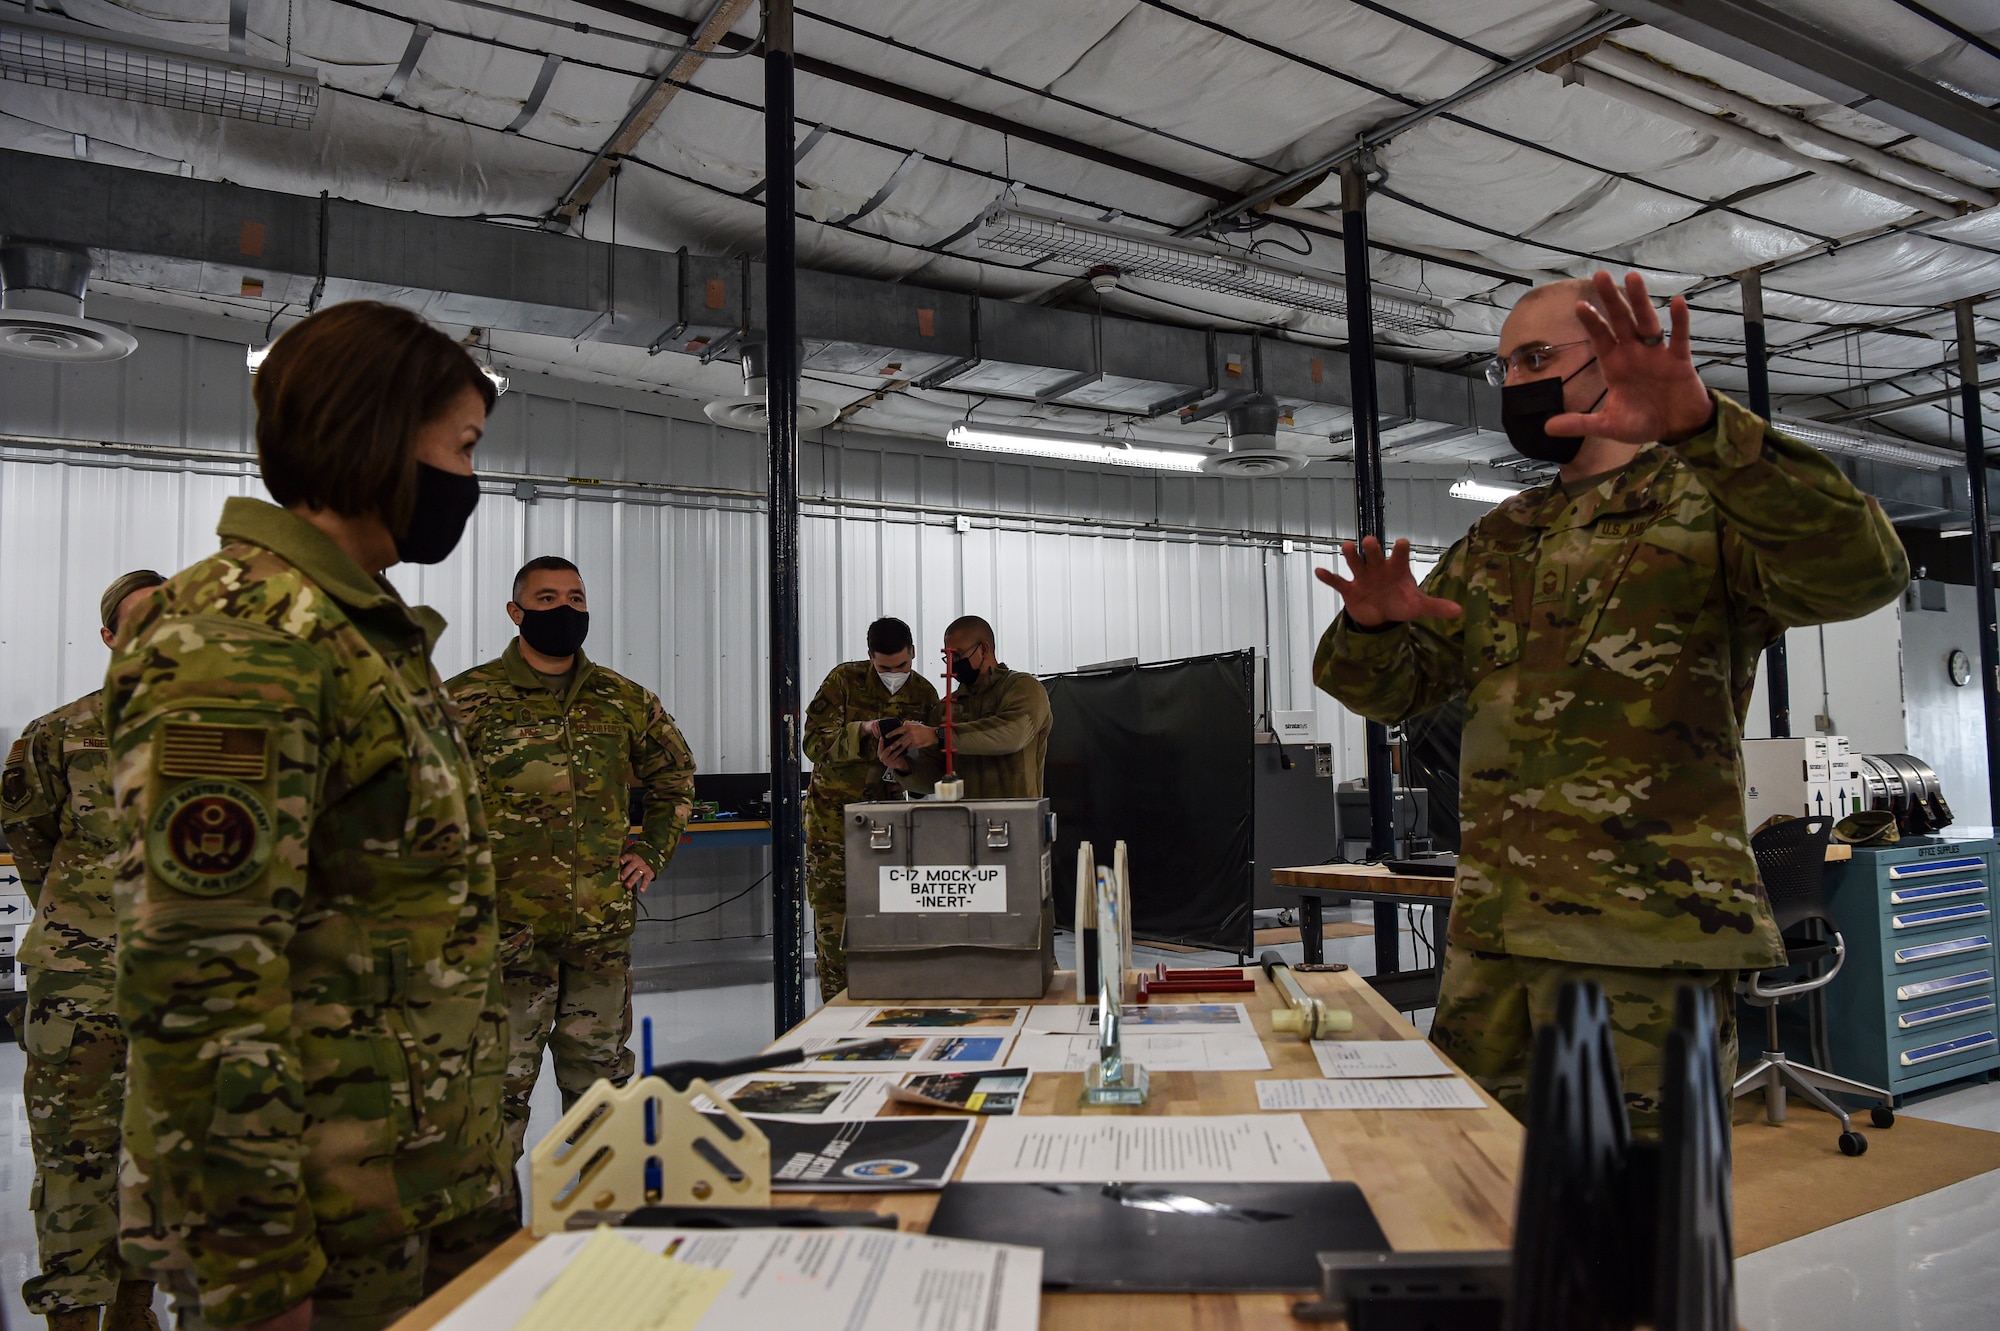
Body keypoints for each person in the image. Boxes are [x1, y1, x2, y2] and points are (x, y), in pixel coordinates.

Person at [1313, 271, 1907, 1136]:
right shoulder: (1504, 536)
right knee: (1484, 1201)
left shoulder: (1709, 504)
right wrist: (1370, 626)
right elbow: (1393, 690)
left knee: (1642, 1226)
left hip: (1648, 941)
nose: (1515, 381)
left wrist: (1708, 430)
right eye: (1503, 366)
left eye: (1537, 357)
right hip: (1498, 944)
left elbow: (1865, 569)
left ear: (1614, 361)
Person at [103, 301, 510, 1331]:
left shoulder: (355, 629)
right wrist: (258, 1267)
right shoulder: (245, 644)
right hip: (324, 1230)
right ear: (378, 433)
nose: (469, 478)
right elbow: (201, 981)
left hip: (413, 1183)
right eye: (460, 446)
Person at [447, 557, 696, 1167]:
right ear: (516, 611)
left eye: (577, 599)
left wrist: (652, 849)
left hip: (599, 937)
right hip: (505, 937)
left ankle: (599, 1236)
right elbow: (420, 799)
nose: (565, 610)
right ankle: (492, 1248)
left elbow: (676, 776)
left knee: (602, 1089)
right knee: (494, 1094)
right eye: (548, 597)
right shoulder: (468, 698)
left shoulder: (624, 699)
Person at [4, 570, 168, 1331]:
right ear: (109, 637)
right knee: (73, 1160)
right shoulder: (58, 733)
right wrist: (75, 926)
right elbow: (28, 837)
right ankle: (71, 1317)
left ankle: (136, 1311)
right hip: (80, 989)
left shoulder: (228, 739)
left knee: (159, 1164)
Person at [801, 617, 941, 999]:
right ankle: (835, 1022)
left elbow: (933, 769)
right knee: (836, 936)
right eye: (884, 668)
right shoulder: (843, 682)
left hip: (889, 827)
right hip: (833, 829)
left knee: (890, 929)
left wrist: (904, 762)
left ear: (913, 653)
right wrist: (863, 731)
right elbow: (813, 744)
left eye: (902, 666)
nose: (894, 674)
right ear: (869, 658)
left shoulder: (926, 694)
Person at [887, 615, 1051, 800]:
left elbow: (1013, 734)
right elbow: (934, 778)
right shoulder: (945, 708)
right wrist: (904, 767)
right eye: (947, 657)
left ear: (983, 649)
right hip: (963, 822)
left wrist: (938, 735)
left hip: (1014, 820)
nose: (952, 664)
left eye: (957, 655)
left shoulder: (1023, 688)